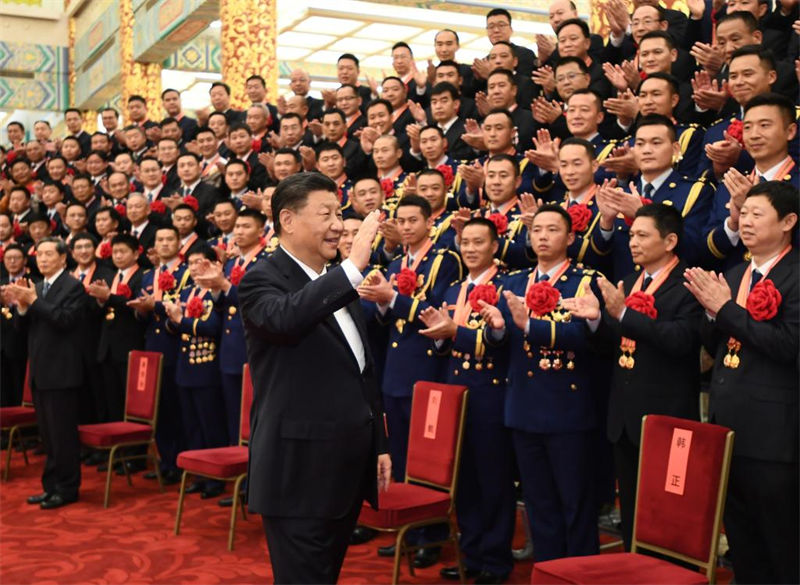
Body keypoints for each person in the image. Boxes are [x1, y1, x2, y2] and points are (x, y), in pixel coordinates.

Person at [238, 173, 390, 584]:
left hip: (345, 469)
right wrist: (352, 268)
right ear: (287, 220)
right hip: (298, 475)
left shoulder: (335, 281)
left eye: (340, 213)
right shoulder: (261, 280)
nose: (338, 225)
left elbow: (361, 369)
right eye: (326, 214)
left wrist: (379, 444)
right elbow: (286, 319)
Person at [563, 203, 702, 550]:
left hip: (666, 414)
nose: (633, 243)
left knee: (668, 512)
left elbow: (681, 341)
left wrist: (622, 313)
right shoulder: (628, 281)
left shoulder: (688, 284)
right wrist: (596, 319)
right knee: (634, 511)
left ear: (670, 241)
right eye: (631, 235)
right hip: (624, 416)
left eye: (642, 235)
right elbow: (609, 342)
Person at [685, 181, 799, 585]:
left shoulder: (796, 275)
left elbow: (788, 346)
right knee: (743, 545)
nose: (745, 222)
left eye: (756, 214)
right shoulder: (734, 273)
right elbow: (713, 343)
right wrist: (713, 314)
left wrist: (726, 310)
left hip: (774, 437)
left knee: (783, 546)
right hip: (727, 426)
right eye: (742, 213)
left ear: (787, 222)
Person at [483, 204, 599, 562]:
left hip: (567, 406)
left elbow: (588, 338)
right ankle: (548, 569)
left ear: (570, 237)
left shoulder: (584, 281)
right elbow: (498, 344)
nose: (543, 237)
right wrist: (497, 331)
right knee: (538, 500)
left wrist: (529, 326)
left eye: (552, 230)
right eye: (537, 231)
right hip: (523, 405)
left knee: (575, 501)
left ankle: (580, 571)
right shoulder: (512, 282)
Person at [417, 217, 516, 584]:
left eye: (479, 242)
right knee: (465, 480)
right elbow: (445, 345)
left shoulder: (507, 287)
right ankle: (471, 553)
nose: (471, 249)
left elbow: (501, 343)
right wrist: (441, 336)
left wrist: (454, 333)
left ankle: (495, 560)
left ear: (494, 246)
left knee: (493, 479)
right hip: (456, 391)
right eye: (466, 242)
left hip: (490, 392)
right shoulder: (454, 288)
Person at [3, 237, 85, 509]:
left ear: (63, 258)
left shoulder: (73, 286)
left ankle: (68, 488)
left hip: (62, 373)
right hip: (39, 371)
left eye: (50, 254)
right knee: (48, 436)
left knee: (63, 435)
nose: (43, 259)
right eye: (40, 255)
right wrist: (23, 308)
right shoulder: (38, 286)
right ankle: (50, 487)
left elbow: (65, 321)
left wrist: (33, 301)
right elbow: (21, 329)